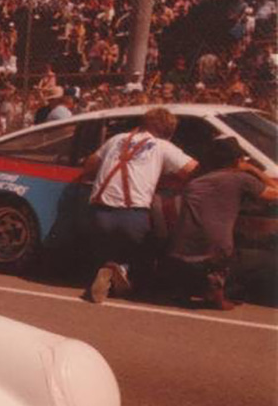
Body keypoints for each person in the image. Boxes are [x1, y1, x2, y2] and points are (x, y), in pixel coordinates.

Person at [82, 107, 198, 303]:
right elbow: (192, 169)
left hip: (99, 214)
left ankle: (108, 268)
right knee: (147, 250)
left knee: (109, 246)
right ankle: (122, 270)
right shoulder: (161, 145)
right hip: (132, 217)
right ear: (167, 131)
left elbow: (90, 164)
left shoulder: (116, 139)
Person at [163, 137, 278, 308]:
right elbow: (276, 193)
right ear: (237, 160)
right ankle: (220, 290)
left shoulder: (195, 181)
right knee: (268, 260)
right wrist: (252, 169)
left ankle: (195, 286)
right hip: (214, 253)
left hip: (180, 250)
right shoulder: (240, 179)